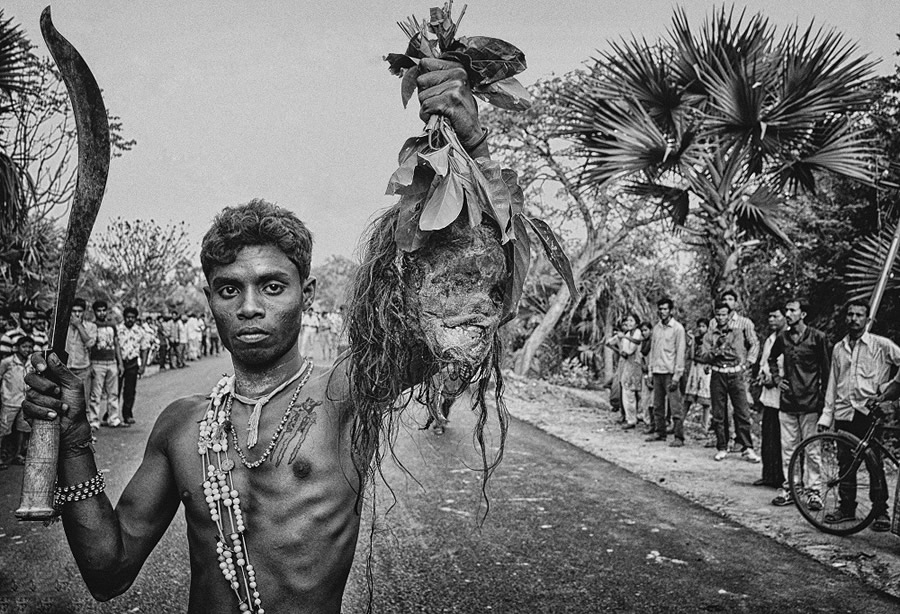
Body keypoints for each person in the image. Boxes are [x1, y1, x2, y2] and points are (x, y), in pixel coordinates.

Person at [23, 59, 488, 613]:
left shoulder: (348, 392)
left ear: (306, 294)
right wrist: (72, 438)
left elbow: (459, 310)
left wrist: (469, 147)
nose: (249, 307)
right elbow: (108, 571)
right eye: (228, 290)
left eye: (272, 287)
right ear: (209, 299)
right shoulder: (182, 425)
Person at [817, 301, 900, 531]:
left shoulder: (880, 345)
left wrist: (889, 389)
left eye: (859, 315)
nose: (854, 319)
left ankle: (880, 511)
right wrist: (827, 416)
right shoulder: (838, 348)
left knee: (874, 462)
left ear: (867, 319)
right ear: (846, 318)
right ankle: (846, 508)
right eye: (850, 314)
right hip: (844, 411)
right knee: (845, 462)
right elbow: (833, 383)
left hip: (868, 411)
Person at [768, 299, 830, 509]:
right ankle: (790, 488)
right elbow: (771, 359)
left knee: (812, 449)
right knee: (789, 448)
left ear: (803, 314)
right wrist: (777, 379)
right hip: (787, 403)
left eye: (792, 310)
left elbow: (827, 370)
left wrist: (824, 401)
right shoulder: (782, 338)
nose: (788, 314)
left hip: (811, 403)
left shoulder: (817, 338)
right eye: (786, 310)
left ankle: (813, 492)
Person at [700, 298, 761, 463]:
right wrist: (717, 352)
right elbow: (704, 356)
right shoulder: (709, 334)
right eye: (718, 315)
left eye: (724, 315)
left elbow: (737, 353)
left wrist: (718, 351)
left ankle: (747, 447)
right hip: (718, 375)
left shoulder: (737, 333)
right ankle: (722, 446)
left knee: (742, 411)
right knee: (719, 413)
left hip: (735, 375)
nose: (721, 318)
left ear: (729, 315)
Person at [646, 298, 687, 447]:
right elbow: (653, 351)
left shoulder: (678, 329)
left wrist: (677, 376)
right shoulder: (656, 328)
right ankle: (660, 432)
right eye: (660, 309)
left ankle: (679, 436)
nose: (663, 312)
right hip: (657, 371)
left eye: (665, 309)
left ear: (671, 310)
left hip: (670, 372)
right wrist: (650, 372)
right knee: (657, 405)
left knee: (675, 406)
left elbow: (680, 352)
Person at [753, 305, 786, 488]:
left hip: (782, 395)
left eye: (775, 316)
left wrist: (774, 379)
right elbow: (764, 362)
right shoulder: (770, 340)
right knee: (768, 435)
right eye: (770, 316)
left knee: (783, 438)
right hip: (769, 396)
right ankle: (769, 475)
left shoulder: (788, 339)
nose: (771, 319)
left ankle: (782, 477)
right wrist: (762, 376)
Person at [88, 300, 125, 430]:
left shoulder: (112, 325)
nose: (102, 313)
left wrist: (120, 363)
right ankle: (93, 421)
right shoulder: (92, 326)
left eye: (104, 310)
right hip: (97, 363)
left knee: (113, 393)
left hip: (112, 362)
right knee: (95, 394)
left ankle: (113, 418)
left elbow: (116, 344)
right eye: (99, 310)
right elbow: (88, 347)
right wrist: (89, 364)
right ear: (94, 312)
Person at [0, 335, 34, 468]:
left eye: (30, 347)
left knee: (23, 429)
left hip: (25, 401)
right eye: (24, 346)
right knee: (3, 429)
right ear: (16, 348)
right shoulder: (7, 362)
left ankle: (18, 454)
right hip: (9, 401)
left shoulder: (31, 363)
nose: (27, 349)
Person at [606, 312, 643, 430]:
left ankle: (635, 418)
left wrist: (624, 339)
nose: (628, 323)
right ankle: (629, 418)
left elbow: (632, 348)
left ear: (636, 323)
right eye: (628, 321)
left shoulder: (637, 333)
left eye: (631, 321)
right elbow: (623, 351)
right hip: (627, 363)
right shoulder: (627, 333)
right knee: (627, 392)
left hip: (636, 364)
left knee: (634, 392)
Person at [117, 307, 151, 425]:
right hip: (119, 363)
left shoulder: (140, 331)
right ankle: (111, 414)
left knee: (130, 390)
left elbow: (144, 349)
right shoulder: (118, 329)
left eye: (132, 317)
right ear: (124, 317)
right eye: (128, 317)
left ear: (135, 318)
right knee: (115, 389)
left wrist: (143, 366)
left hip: (133, 363)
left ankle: (127, 414)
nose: (130, 319)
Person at [66, 298, 96, 409]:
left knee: (83, 403)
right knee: (67, 403)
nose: (77, 314)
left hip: (83, 369)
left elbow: (89, 343)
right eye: (74, 311)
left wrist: (79, 326)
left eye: (80, 311)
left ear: (84, 312)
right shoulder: (63, 327)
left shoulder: (91, 327)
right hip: (67, 368)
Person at [684, 317, 711, 429]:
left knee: (705, 400)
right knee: (688, 397)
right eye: (699, 326)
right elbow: (690, 355)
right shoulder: (696, 339)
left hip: (705, 369)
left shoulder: (710, 340)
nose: (701, 329)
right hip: (695, 369)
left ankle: (704, 425)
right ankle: (680, 422)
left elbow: (709, 356)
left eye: (703, 326)